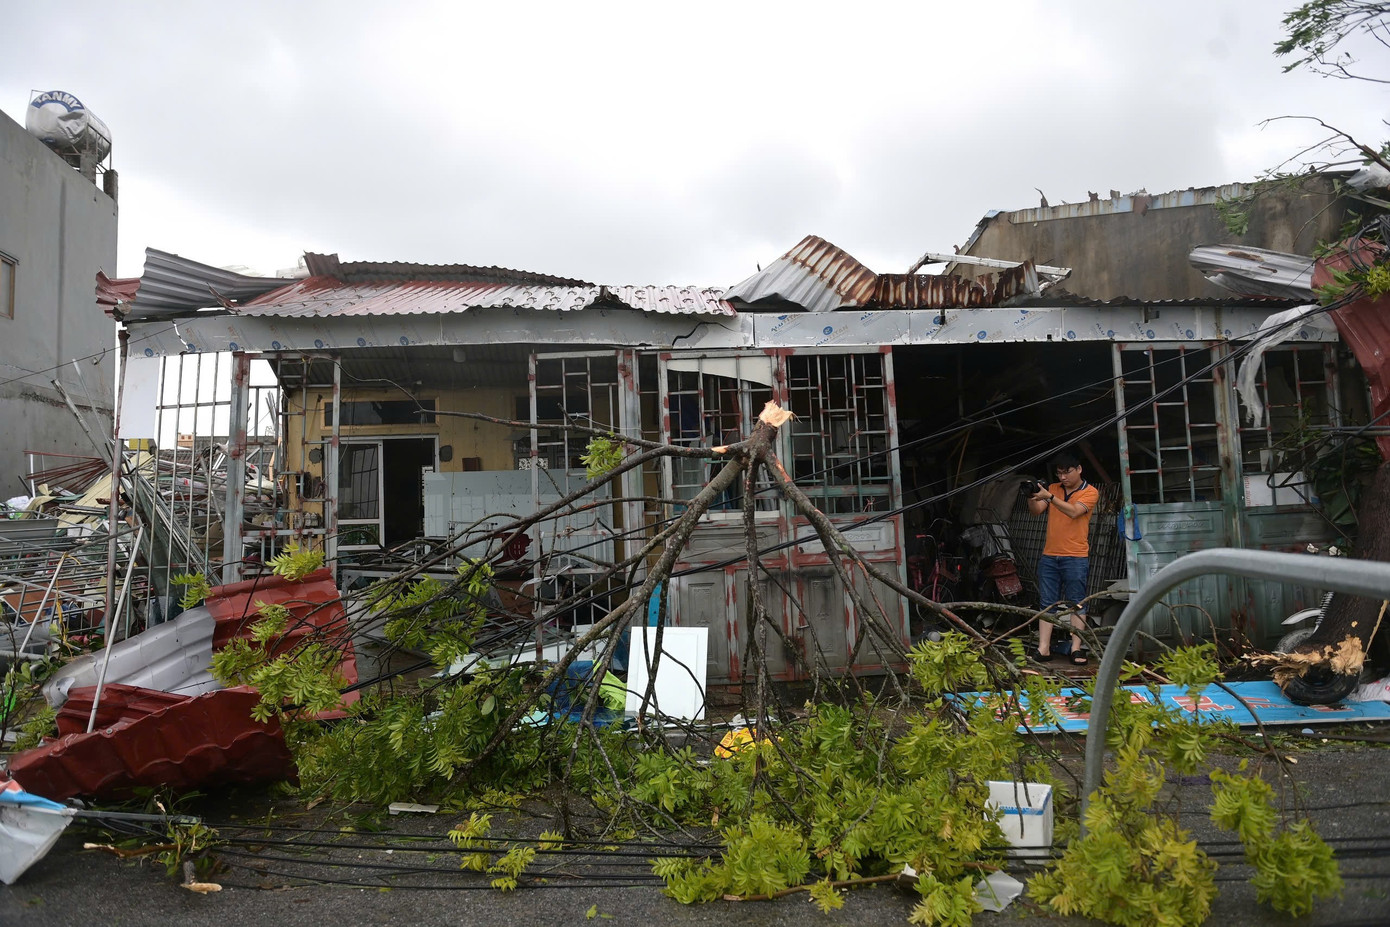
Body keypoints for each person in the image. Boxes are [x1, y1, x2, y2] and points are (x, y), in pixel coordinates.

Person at [1027, 450, 1100, 665]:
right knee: (1047, 603)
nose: (1062, 478)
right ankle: (1044, 648)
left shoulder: (1091, 492)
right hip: (1050, 554)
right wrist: (1031, 496)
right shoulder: (1052, 488)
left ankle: (1076, 648)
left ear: (1079, 469)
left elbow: (1075, 512)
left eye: (1067, 472)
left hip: (1076, 556)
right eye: (1059, 473)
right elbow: (1036, 511)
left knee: (1077, 603)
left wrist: (1050, 497)